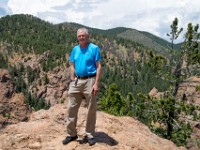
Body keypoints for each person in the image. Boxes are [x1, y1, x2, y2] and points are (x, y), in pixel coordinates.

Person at [62, 27, 102, 146]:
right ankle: (71, 134)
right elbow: (72, 65)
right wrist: (72, 79)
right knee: (71, 108)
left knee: (91, 109)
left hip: (90, 80)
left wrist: (96, 83)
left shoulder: (94, 48)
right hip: (77, 81)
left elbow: (99, 66)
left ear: (88, 36)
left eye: (83, 36)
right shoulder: (75, 49)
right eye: (79, 36)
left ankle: (89, 134)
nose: (81, 38)